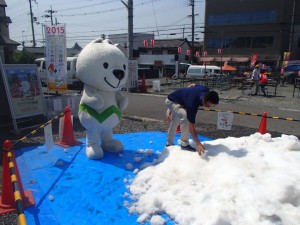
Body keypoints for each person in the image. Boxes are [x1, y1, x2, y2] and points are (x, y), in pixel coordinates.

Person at [165, 84, 219, 156]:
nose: (210, 106)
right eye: (209, 105)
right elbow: (191, 125)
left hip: (179, 100)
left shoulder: (205, 90)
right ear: (204, 99)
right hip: (171, 101)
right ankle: (184, 144)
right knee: (185, 117)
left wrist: (194, 84)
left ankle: (169, 143)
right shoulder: (192, 104)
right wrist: (198, 144)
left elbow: (195, 85)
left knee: (175, 121)